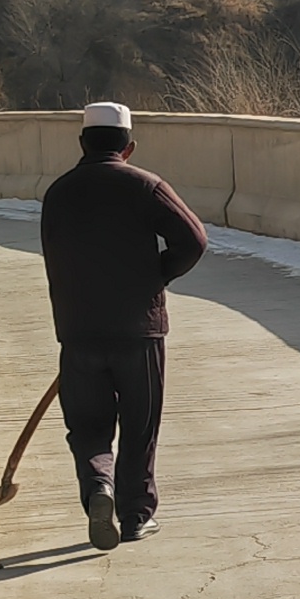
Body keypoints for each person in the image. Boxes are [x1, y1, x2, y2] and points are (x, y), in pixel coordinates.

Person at [40, 98, 208, 548]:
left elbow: (54, 256)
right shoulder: (146, 186)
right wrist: (156, 275)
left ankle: (99, 485)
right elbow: (194, 240)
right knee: (140, 425)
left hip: (79, 332)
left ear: (82, 143)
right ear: (128, 147)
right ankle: (135, 515)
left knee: (88, 426)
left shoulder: (59, 192)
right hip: (139, 331)